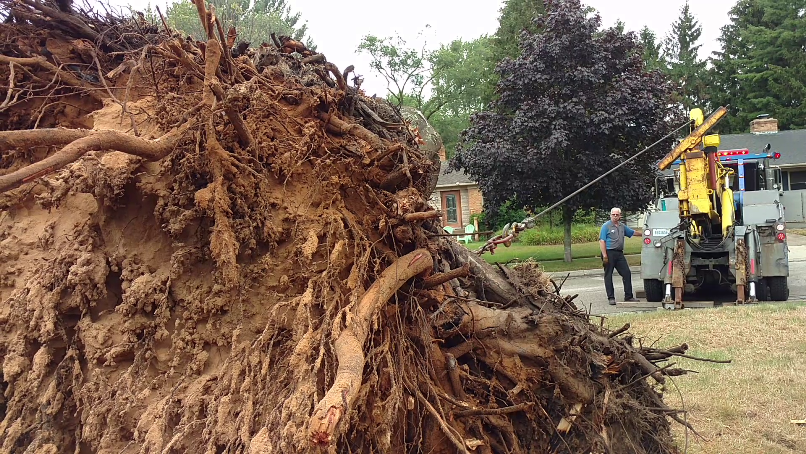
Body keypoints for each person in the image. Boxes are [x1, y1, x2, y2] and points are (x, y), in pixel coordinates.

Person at [599, 208, 642, 305]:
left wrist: (645, 234)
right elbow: (602, 241)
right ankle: (611, 298)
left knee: (626, 273)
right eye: (613, 214)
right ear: (610, 215)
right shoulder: (606, 226)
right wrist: (605, 255)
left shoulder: (622, 226)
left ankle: (628, 296)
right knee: (608, 275)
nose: (614, 216)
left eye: (616, 215)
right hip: (609, 252)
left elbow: (632, 232)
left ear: (620, 216)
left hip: (619, 253)